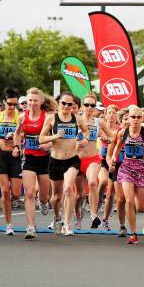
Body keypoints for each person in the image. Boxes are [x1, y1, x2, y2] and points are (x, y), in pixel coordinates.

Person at [39, 92, 89, 236]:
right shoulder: (51, 119)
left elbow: (86, 132)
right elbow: (41, 139)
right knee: (56, 197)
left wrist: (84, 139)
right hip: (55, 160)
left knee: (68, 189)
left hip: (72, 160)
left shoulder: (77, 119)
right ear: (59, 103)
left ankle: (67, 224)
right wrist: (55, 136)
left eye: (70, 104)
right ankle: (57, 218)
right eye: (64, 103)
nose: (67, 106)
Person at [112, 106, 144, 244]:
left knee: (140, 206)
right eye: (133, 117)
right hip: (126, 168)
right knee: (129, 200)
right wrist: (113, 158)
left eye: (138, 117)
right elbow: (117, 147)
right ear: (128, 118)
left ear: (142, 119)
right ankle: (133, 233)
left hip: (142, 170)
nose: (135, 120)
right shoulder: (122, 133)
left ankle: (134, 219)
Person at [13, 88, 52, 239]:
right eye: (30, 100)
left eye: (35, 100)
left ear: (41, 102)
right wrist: (17, 147)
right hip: (29, 157)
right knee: (29, 193)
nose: (32, 103)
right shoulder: (22, 117)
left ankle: (43, 202)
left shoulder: (47, 117)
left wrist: (49, 145)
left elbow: (55, 137)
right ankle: (30, 226)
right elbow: (17, 134)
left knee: (43, 196)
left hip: (44, 158)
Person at [77, 93, 112, 229]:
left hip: (92, 158)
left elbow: (113, 136)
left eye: (92, 105)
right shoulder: (76, 120)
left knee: (92, 182)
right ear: (82, 106)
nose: (89, 108)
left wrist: (108, 139)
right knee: (79, 194)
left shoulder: (99, 122)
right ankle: (78, 216)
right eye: (87, 105)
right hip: (77, 159)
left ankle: (93, 215)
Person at [0, 88, 23, 235]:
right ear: (5, 102)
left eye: (14, 105)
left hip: (15, 155)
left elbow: (26, 132)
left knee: (16, 194)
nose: (12, 107)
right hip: (1, 155)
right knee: (5, 191)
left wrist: (17, 140)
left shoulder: (20, 117)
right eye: (9, 104)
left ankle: (8, 202)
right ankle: (8, 224)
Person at [99, 105, 120, 231]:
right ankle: (97, 201)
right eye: (109, 113)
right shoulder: (101, 127)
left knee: (111, 194)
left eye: (114, 113)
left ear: (117, 116)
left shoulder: (119, 129)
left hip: (115, 161)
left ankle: (105, 219)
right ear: (105, 115)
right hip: (102, 160)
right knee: (102, 182)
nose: (111, 115)